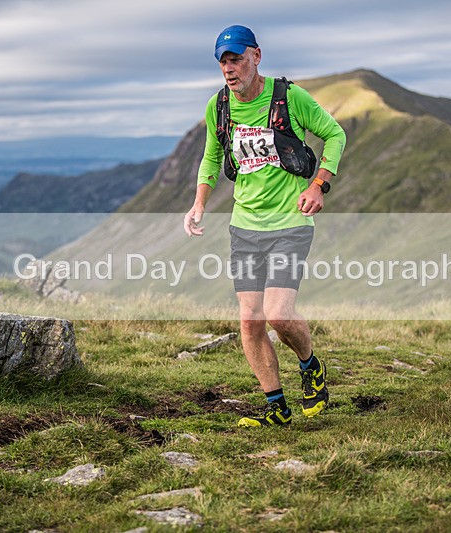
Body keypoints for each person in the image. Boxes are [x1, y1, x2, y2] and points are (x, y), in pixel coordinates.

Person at [184, 25, 346, 427]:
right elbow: (210, 158)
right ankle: (276, 406)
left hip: (291, 222)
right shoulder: (218, 106)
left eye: (236, 58)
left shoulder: (290, 97)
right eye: (223, 61)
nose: (229, 68)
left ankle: (310, 365)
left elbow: (335, 134)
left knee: (277, 314)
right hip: (244, 227)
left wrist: (319, 185)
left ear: (257, 55)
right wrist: (199, 203)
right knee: (250, 320)